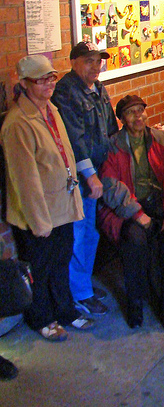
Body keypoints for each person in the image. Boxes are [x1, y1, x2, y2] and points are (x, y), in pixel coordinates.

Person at [1, 55, 94, 341]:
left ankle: (65, 311)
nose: (49, 84)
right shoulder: (18, 123)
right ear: (25, 84)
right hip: (38, 215)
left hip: (61, 206)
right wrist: (39, 222)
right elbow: (24, 181)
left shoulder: (50, 109)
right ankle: (41, 318)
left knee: (61, 261)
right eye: (41, 80)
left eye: (51, 78)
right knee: (39, 270)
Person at [97, 95, 164, 330]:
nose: (138, 116)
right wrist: (137, 214)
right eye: (131, 112)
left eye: (141, 111)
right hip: (127, 210)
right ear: (122, 120)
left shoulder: (160, 138)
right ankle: (135, 301)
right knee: (135, 242)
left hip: (159, 204)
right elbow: (109, 185)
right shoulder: (113, 145)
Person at [52, 41, 119, 316]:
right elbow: (74, 139)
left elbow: (110, 128)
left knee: (90, 233)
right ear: (73, 62)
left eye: (98, 60)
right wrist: (91, 175)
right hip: (80, 176)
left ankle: (83, 284)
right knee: (81, 234)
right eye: (89, 60)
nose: (96, 66)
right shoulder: (66, 92)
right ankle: (79, 293)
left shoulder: (98, 88)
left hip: (100, 169)